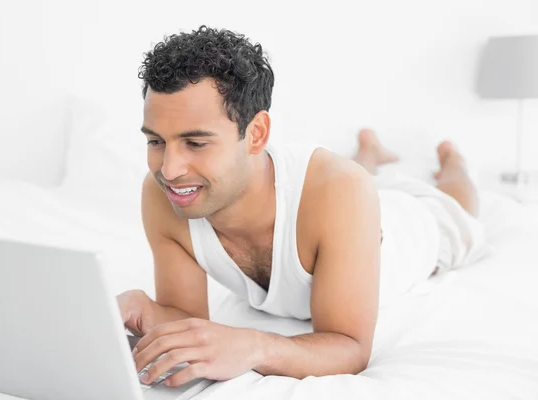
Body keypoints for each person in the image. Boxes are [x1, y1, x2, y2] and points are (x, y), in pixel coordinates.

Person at [116, 25, 488, 387]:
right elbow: (185, 318)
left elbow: (349, 346)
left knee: (454, 208)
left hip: (410, 226)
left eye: (195, 143)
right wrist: (144, 310)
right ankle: (369, 150)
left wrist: (251, 344)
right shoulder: (163, 193)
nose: (169, 170)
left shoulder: (340, 190)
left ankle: (452, 158)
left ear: (257, 133)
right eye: (156, 142)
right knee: (361, 177)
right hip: (349, 199)